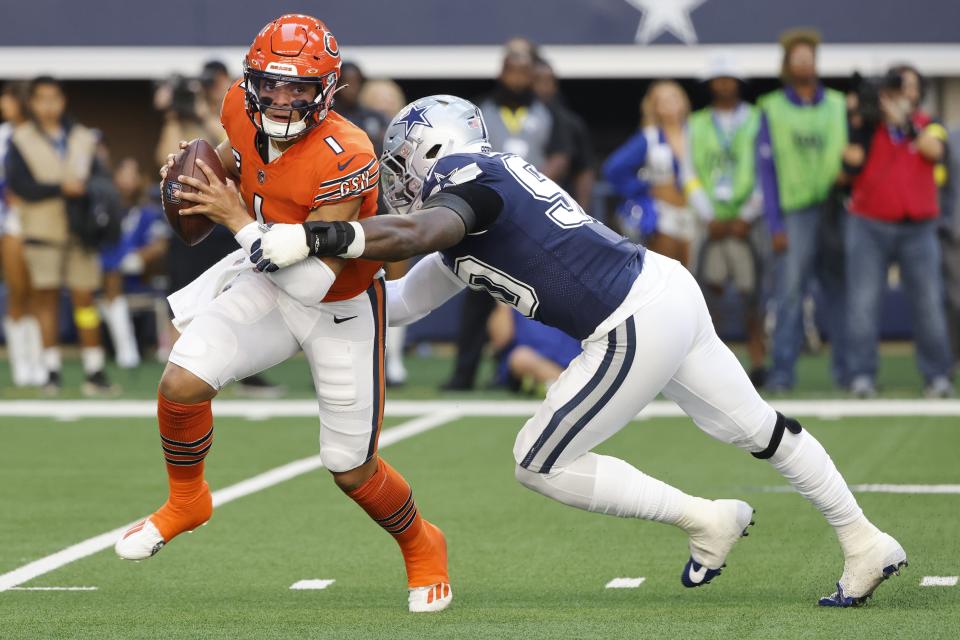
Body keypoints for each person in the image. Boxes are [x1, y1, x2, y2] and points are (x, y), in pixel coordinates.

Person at [255, 94, 907, 607]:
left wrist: (323, 236)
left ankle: (707, 519)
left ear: (431, 149)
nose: (397, 181)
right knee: (759, 427)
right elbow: (391, 306)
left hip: (631, 316)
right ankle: (862, 538)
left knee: (537, 461)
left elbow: (420, 228)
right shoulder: (466, 216)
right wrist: (291, 304)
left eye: (400, 166)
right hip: (659, 293)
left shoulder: (465, 176)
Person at [114, 15, 451, 614]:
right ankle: (188, 500)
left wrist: (233, 217)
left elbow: (311, 279)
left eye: (297, 87)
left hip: (336, 300)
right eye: (269, 83)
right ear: (251, 81)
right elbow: (231, 162)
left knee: (349, 466)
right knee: (181, 381)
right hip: (265, 280)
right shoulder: (240, 113)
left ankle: (423, 543)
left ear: (326, 89)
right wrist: (195, 183)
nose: (278, 97)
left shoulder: (347, 151)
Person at [443, 50, 573, 391]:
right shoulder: (480, 112)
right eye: (511, 71)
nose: (517, 79)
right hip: (486, 212)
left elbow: (561, 154)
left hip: (533, 216)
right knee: (476, 292)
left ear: (532, 75)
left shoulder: (548, 111)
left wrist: (533, 184)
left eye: (523, 72)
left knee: (536, 294)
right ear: (501, 72)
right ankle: (464, 374)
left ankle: (524, 369)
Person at [842, 66, 953, 398]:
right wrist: (859, 119)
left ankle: (937, 376)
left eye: (909, 88)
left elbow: (934, 151)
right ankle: (861, 375)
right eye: (895, 88)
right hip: (869, 225)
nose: (903, 94)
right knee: (863, 303)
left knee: (928, 304)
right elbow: (848, 169)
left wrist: (903, 121)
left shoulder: (929, 125)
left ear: (918, 93)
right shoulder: (867, 125)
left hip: (918, 228)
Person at [4, 76, 115, 395]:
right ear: (33, 103)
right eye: (42, 99)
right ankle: (50, 369)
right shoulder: (20, 138)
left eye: (54, 98)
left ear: (63, 100)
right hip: (41, 229)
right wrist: (60, 188)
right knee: (46, 299)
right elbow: (20, 185)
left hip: (81, 231)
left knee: (85, 298)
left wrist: (88, 192)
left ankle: (94, 368)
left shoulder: (82, 136)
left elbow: (99, 177)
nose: (49, 105)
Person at [758, 30, 849, 392]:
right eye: (796, 58)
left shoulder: (840, 104)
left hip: (837, 211)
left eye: (808, 57)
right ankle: (782, 375)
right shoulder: (771, 107)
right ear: (787, 65)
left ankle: (850, 374)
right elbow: (766, 172)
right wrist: (775, 223)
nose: (804, 64)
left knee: (841, 291)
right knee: (790, 294)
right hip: (794, 214)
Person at [686, 56, 766, 386]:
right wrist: (708, 215)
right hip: (712, 221)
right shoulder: (697, 122)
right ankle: (713, 367)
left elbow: (766, 171)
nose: (723, 84)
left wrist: (748, 214)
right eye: (717, 79)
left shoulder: (757, 119)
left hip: (748, 220)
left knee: (753, 293)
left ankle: (759, 362)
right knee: (709, 293)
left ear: (738, 83)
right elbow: (689, 172)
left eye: (729, 78)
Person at [604, 81, 696, 266]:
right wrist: (646, 187)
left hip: (696, 213)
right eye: (663, 100)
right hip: (663, 214)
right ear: (654, 107)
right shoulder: (649, 137)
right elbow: (613, 168)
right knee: (666, 271)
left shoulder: (697, 132)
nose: (670, 103)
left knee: (695, 275)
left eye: (674, 97)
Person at [99, 157, 169, 368]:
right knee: (108, 276)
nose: (128, 180)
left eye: (133, 175)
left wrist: (138, 258)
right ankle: (124, 350)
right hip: (105, 274)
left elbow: (161, 244)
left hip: (139, 275)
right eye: (124, 174)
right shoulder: (104, 207)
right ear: (115, 177)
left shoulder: (150, 210)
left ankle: (146, 349)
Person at [0, 81, 46, 387]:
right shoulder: (3, 135)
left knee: (39, 292)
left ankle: (39, 361)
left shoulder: (43, 135)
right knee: (18, 291)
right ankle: (21, 364)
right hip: (11, 222)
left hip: (42, 220)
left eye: (8, 99)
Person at [532, 57, 595, 209]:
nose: (542, 87)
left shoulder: (569, 122)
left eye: (547, 81)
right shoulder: (500, 114)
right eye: (537, 81)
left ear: (555, 85)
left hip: (559, 204)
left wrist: (582, 211)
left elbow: (584, 169)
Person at [488, 303, 581, 395]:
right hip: (529, 363)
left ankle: (566, 386)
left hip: (574, 360)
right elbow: (500, 341)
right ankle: (571, 387)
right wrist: (503, 304)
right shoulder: (514, 293)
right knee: (521, 358)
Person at [335, 62, 389, 155]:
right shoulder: (329, 117)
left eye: (357, 82)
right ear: (337, 84)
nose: (353, 88)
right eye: (347, 83)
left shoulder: (375, 117)